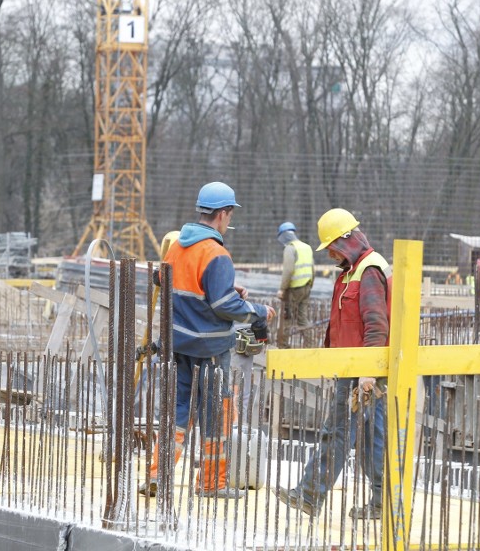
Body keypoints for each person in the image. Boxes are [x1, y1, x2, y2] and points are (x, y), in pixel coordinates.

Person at [140, 181, 275, 498]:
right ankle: (212, 484)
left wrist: (227, 288)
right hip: (211, 349)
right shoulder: (217, 253)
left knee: (176, 412)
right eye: (230, 215)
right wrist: (257, 310)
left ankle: (158, 476)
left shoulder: (177, 246)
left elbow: (163, 278)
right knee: (217, 415)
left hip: (179, 346)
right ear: (223, 214)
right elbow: (222, 305)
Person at [276, 208, 391, 520]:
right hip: (356, 367)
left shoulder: (368, 271)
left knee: (337, 431)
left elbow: (377, 325)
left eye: (331, 246)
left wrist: (366, 372)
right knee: (371, 439)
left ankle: (309, 494)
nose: (328, 253)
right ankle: (384, 502)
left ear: (346, 239)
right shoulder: (352, 269)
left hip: (363, 369)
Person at [276, 221, 314, 346]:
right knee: (302, 319)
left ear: (283, 235)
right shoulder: (306, 247)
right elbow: (312, 269)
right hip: (307, 287)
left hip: (294, 289)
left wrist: (282, 289)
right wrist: (309, 286)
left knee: (288, 318)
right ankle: (310, 346)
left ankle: (284, 347)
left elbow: (288, 270)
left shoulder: (290, 248)